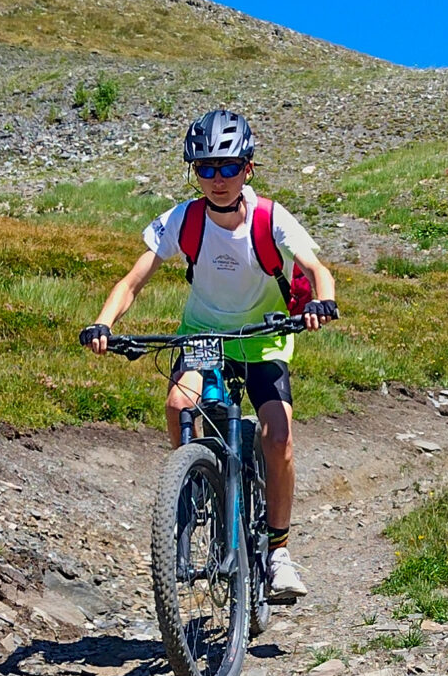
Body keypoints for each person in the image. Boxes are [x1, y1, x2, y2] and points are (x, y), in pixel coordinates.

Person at [81, 108, 339, 602]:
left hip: (263, 337)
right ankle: (195, 486)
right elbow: (135, 279)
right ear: (193, 171)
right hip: (203, 335)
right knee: (180, 405)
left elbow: (316, 267)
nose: (216, 180)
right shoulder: (184, 219)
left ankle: (280, 553)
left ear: (248, 168)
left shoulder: (270, 216)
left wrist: (323, 302)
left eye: (227, 168)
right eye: (205, 168)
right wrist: (104, 323)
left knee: (279, 436)